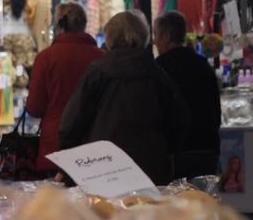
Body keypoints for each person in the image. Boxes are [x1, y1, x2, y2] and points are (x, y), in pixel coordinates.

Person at [58, 12, 188, 185]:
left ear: (110, 37)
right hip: (151, 168)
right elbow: (180, 121)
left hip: (104, 168)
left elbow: (71, 124)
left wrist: (70, 162)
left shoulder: (98, 71)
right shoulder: (157, 73)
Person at [26, 2, 103, 176]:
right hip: (93, 146)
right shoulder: (101, 57)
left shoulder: (45, 58)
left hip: (55, 145)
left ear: (58, 25)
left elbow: (34, 108)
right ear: (84, 24)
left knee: (56, 202)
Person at [154, 11, 221, 178]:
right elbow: (215, 110)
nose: (154, 41)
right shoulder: (202, 65)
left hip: (173, 154)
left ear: (167, 36)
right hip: (206, 148)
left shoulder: (158, 69)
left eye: (156, 35)